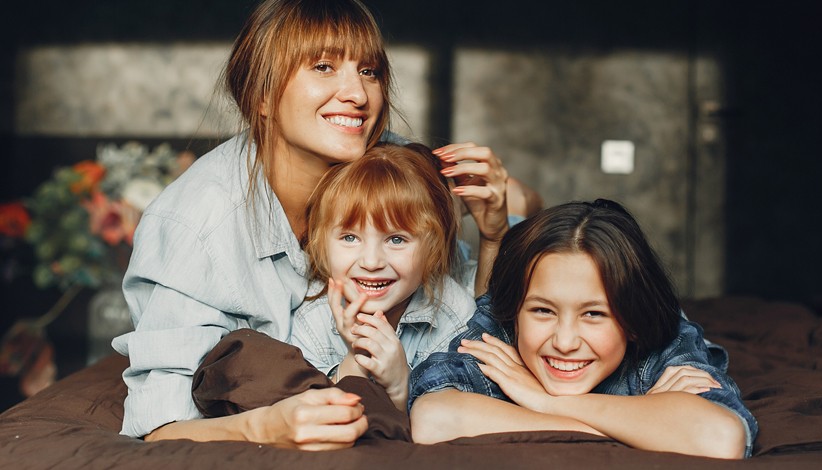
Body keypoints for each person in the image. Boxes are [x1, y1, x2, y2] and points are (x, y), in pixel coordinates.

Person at [111, 0, 510, 450]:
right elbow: (161, 428)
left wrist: (498, 225)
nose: (357, 95)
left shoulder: (387, 165)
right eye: (323, 66)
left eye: (370, 71)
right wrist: (263, 428)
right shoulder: (195, 224)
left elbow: (477, 296)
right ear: (260, 97)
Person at [407, 200, 758, 459]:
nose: (564, 342)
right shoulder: (498, 328)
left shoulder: (664, 338)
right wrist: (636, 427)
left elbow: (719, 437)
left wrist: (544, 402)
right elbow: (434, 417)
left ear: (632, 322)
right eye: (543, 310)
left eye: (593, 315)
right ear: (514, 313)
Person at [290, 143, 478, 412]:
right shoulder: (312, 317)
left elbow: (444, 426)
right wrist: (355, 359)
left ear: (432, 249)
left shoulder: (454, 315)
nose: (371, 262)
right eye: (350, 237)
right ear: (322, 243)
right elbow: (314, 418)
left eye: (396, 239)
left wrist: (401, 385)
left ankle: (518, 205)